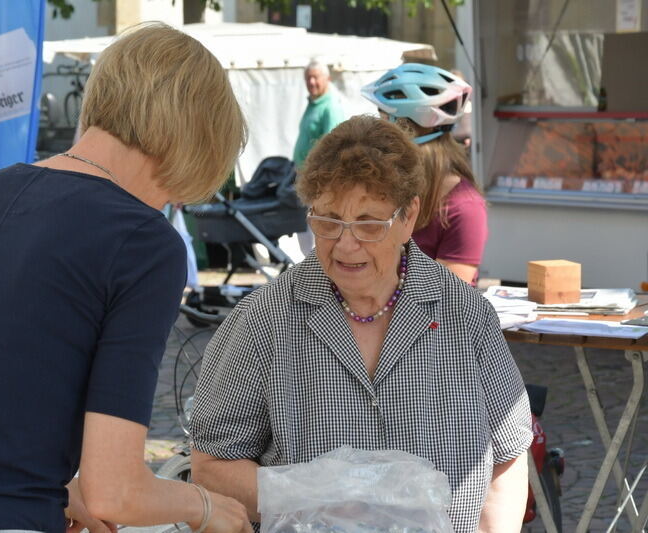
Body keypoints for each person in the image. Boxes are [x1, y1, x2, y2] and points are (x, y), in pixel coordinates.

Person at [0, 23, 250, 533]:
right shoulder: (145, 241)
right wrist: (207, 506)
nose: (174, 204)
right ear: (193, 137)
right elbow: (115, 492)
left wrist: (31, 481)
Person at [189, 116, 532, 533]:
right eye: (329, 220)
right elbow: (211, 466)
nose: (346, 244)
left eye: (370, 223)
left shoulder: (464, 314)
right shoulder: (264, 321)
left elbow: (507, 455)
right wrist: (313, 494)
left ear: (409, 217)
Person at [361, 63, 486, 285]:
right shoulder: (385, 188)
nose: (376, 132)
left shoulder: (462, 207)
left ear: (404, 130)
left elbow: (448, 297)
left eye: (382, 120)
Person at [292, 59, 344, 255]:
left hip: (319, 181)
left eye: (316, 77)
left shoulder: (330, 107)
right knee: (306, 227)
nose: (311, 82)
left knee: (317, 228)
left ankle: (319, 271)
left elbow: (333, 149)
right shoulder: (313, 104)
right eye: (308, 78)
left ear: (327, 79)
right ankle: (310, 268)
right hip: (306, 178)